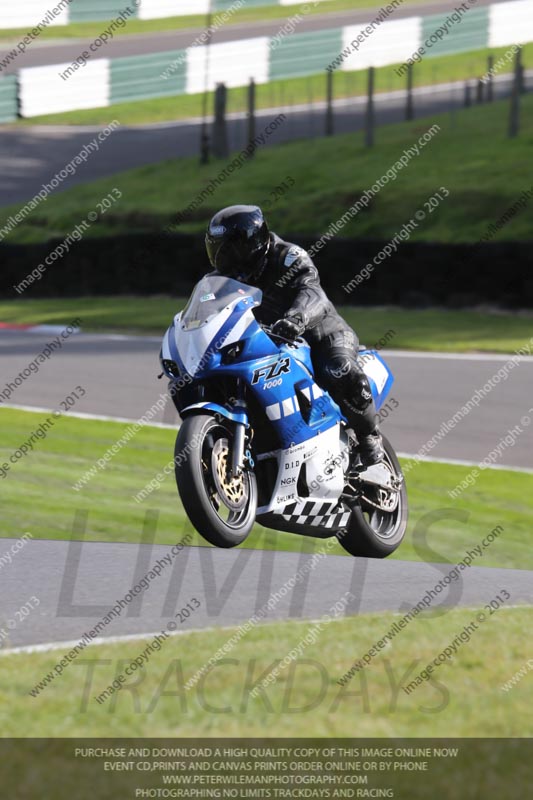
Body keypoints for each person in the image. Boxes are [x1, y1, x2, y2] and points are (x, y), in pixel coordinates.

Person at [204, 204, 384, 466]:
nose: (224, 257)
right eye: (217, 249)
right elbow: (207, 312)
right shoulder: (219, 281)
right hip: (269, 343)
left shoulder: (286, 256)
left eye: (230, 248)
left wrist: (295, 319)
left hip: (319, 333)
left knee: (339, 368)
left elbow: (313, 292)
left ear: (252, 242)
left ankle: (370, 442)